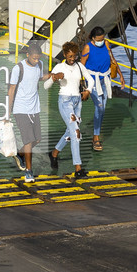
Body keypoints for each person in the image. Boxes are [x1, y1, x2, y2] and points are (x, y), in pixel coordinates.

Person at [6, 39, 47, 179]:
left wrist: (54, 76)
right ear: (28, 54)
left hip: (35, 108)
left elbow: (40, 78)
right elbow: (11, 90)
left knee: (37, 139)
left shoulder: (39, 64)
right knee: (29, 140)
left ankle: (20, 153)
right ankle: (29, 171)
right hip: (20, 108)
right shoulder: (18, 68)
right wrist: (8, 112)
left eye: (38, 58)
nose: (36, 61)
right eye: (34, 58)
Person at [47, 41, 88, 177]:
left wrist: (88, 90)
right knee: (76, 133)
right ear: (65, 55)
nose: (72, 59)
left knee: (70, 133)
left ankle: (54, 153)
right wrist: (55, 78)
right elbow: (46, 86)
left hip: (77, 102)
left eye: (74, 56)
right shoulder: (59, 66)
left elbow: (90, 79)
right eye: (70, 56)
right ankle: (78, 167)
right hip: (65, 101)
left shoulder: (79, 66)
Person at [81, 26, 116, 153]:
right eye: (99, 39)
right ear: (93, 38)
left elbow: (112, 58)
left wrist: (121, 76)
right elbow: (82, 65)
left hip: (105, 79)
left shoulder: (106, 43)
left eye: (103, 38)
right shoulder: (88, 47)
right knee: (99, 107)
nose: (101, 41)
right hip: (93, 80)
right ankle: (96, 137)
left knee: (102, 109)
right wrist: (82, 83)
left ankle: (97, 133)